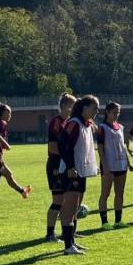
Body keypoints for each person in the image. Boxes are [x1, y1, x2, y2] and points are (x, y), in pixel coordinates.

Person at [57, 96, 101, 254]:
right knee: (69, 210)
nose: (97, 111)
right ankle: (68, 246)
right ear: (85, 107)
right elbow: (63, 144)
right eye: (95, 108)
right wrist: (70, 166)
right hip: (71, 172)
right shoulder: (74, 123)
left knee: (75, 209)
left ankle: (72, 242)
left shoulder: (86, 124)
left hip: (80, 172)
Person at [44, 93, 76, 241]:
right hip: (56, 165)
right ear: (63, 106)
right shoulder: (56, 122)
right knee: (58, 200)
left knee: (64, 201)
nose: (73, 108)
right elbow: (52, 147)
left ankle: (66, 233)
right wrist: (67, 155)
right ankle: (50, 233)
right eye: (71, 105)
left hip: (64, 165)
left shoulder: (69, 122)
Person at [96, 101, 129, 229]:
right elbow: (100, 147)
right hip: (109, 166)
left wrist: (128, 162)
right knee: (105, 193)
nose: (116, 114)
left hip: (121, 165)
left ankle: (118, 220)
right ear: (107, 112)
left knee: (119, 193)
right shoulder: (102, 127)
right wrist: (105, 166)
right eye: (114, 112)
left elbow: (123, 146)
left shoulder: (120, 127)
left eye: (118, 112)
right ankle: (104, 222)